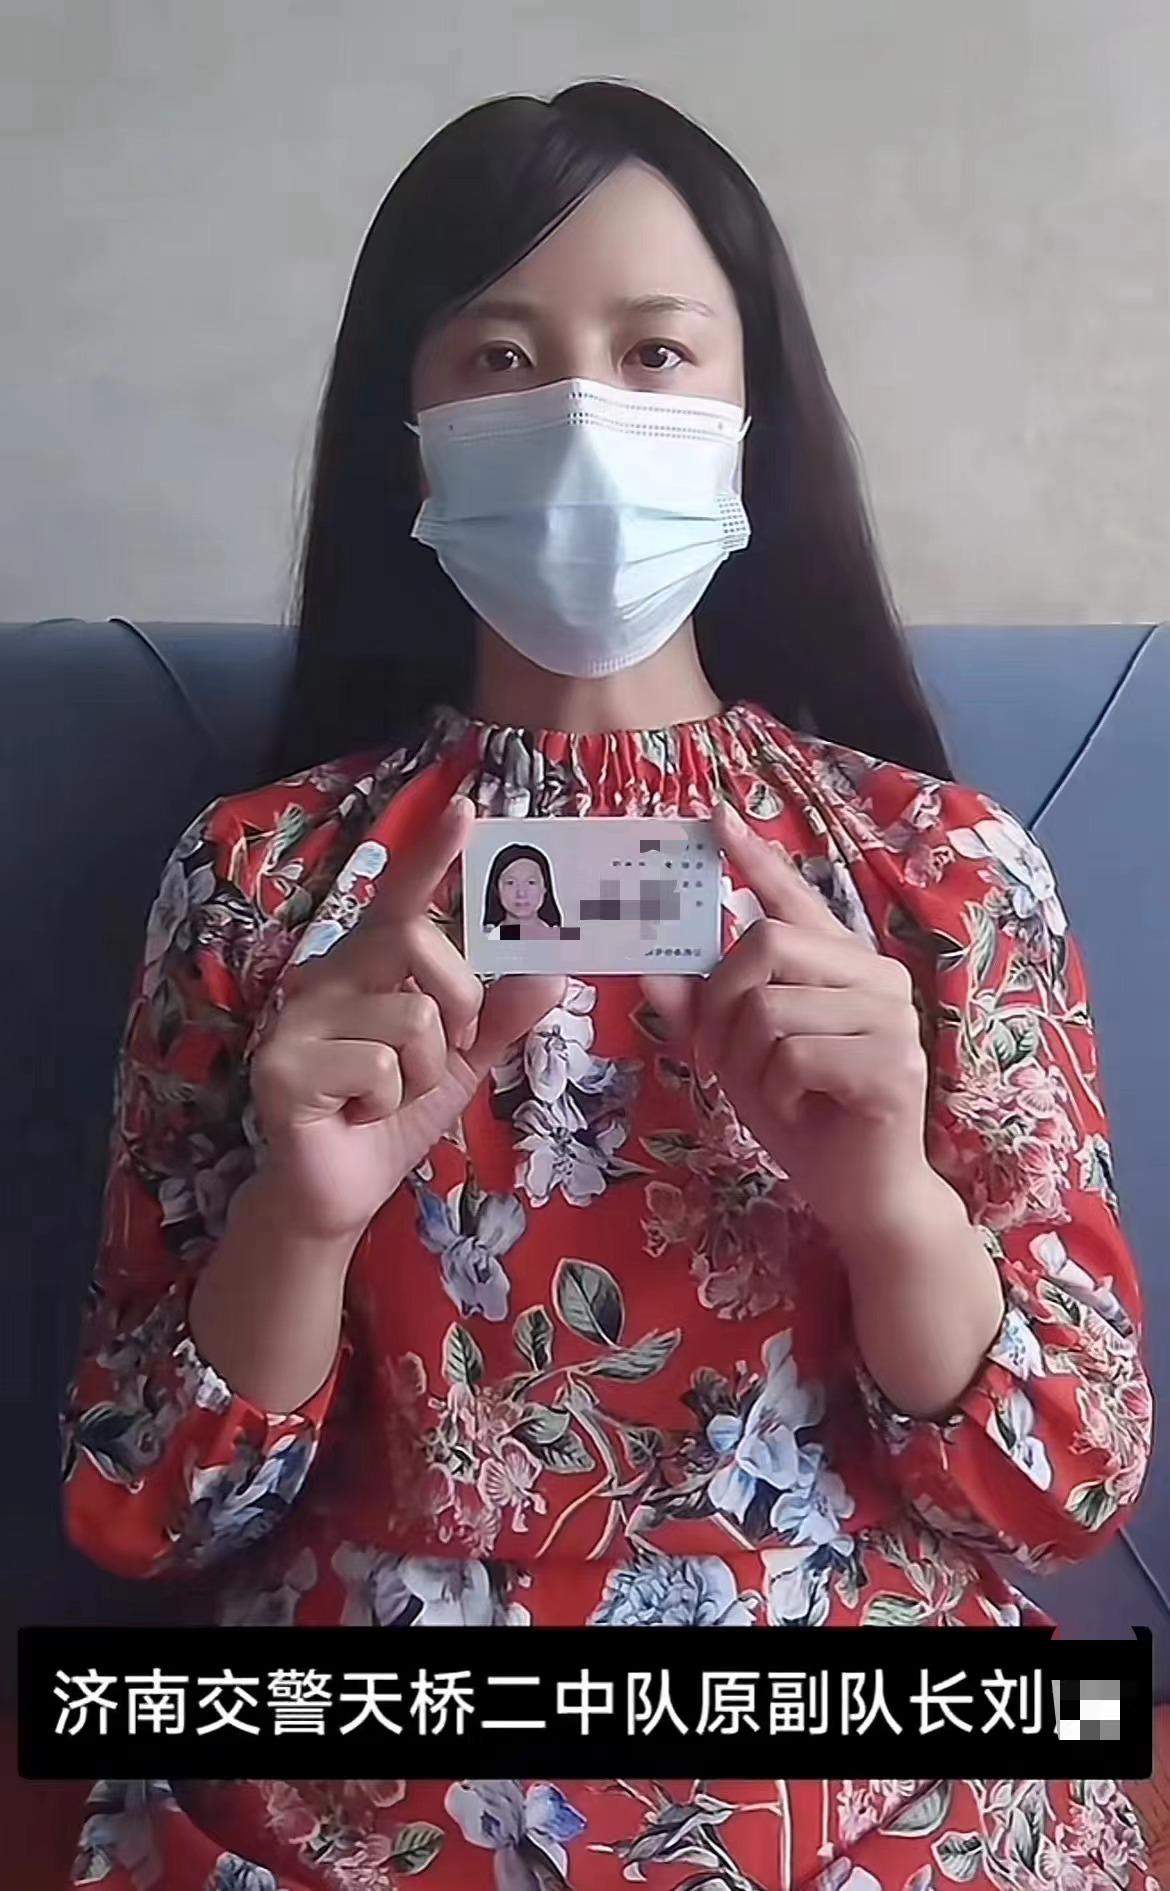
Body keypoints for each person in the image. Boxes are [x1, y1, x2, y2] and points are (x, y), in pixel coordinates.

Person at [58, 81, 1155, 1891]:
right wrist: (299, 1218)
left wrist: (891, 1206)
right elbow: (143, 1509)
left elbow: (1067, 1486)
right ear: (408, 429)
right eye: (500, 356)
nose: (579, 414)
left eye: (654, 353)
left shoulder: (943, 875)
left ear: (749, 419)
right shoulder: (258, 881)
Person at [483, 842, 564, 937]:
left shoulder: (562, 937)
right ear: (497, 888)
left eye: (531, 882)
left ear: (545, 888)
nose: (521, 893)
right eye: (511, 883)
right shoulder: (483, 938)